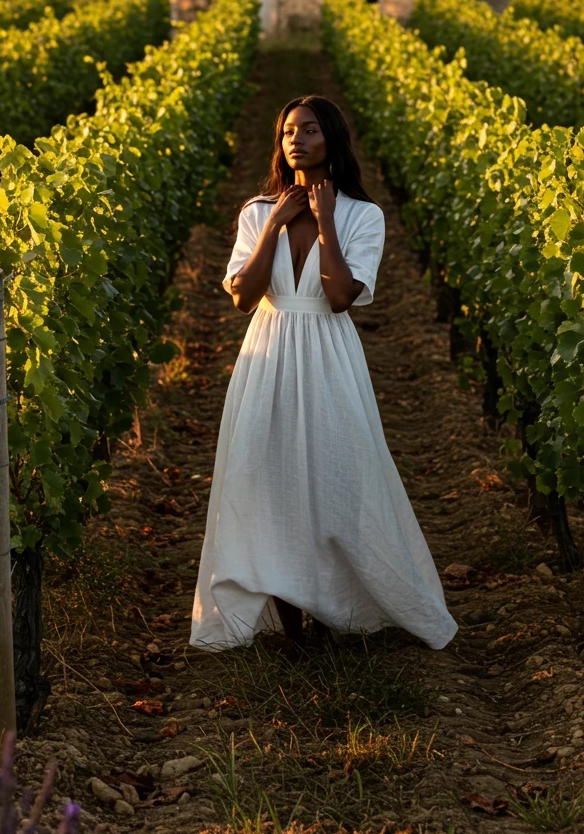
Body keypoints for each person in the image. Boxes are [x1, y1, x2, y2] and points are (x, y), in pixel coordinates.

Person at [189, 94, 458, 660]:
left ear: (332, 139)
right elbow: (242, 297)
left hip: (328, 354)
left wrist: (327, 220)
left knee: (336, 480)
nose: (297, 139)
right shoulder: (257, 211)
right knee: (269, 482)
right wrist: (274, 228)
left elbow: (338, 297)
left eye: (310, 130)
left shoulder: (364, 216)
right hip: (268, 350)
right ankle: (293, 632)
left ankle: (335, 611)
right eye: (289, 130)